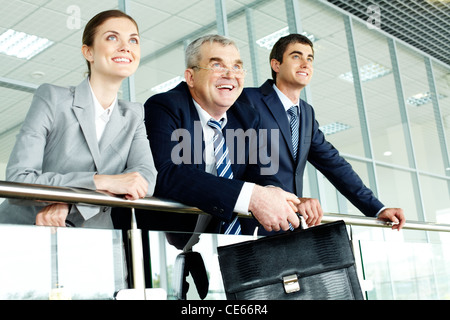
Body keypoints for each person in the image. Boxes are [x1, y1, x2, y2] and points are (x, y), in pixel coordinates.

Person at [131, 34, 312, 237]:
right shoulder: (165, 106)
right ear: (191, 77)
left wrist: (277, 194)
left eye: (236, 67)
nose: (230, 74)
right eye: (217, 65)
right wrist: (250, 196)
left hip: (237, 243)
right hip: (175, 238)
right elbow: (165, 172)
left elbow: (264, 173)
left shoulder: (247, 117)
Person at [0, 10, 157, 228]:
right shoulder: (53, 98)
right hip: (27, 232)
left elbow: (145, 182)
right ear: (88, 52)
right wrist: (101, 181)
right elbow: (19, 180)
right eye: (112, 37)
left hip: (94, 240)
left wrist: (71, 201)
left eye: (133, 40)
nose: (125, 46)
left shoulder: (134, 115)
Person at [240, 33, 405, 230]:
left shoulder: (306, 113)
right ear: (276, 65)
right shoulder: (248, 100)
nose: (305, 64)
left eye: (309, 58)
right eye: (296, 56)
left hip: (288, 228)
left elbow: (334, 165)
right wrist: (290, 199)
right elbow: (240, 163)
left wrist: (377, 209)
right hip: (249, 225)